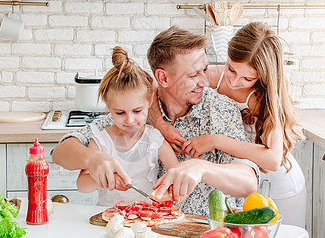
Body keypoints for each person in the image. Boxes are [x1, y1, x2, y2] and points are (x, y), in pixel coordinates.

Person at [52, 26, 259, 215]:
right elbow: (61, 152)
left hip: (203, 232)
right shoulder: (134, 109)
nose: (205, 82)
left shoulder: (220, 110)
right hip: (146, 231)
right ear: (163, 78)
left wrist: (201, 168)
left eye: (205, 70)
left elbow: (248, 181)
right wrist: (91, 158)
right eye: (193, 75)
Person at [152, 22, 306, 230]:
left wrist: (216, 140)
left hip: (278, 178)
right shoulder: (213, 76)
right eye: (231, 69)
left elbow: (272, 160)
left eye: (247, 78)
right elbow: (154, 83)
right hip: (244, 174)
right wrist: (160, 123)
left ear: (262, 76)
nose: (234, 81)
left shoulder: (265, 99)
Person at [76, 46, 179, 206]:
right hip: (108, 218)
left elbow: (178, 174)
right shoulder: (100, 141)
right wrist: (102, 178)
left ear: (150, 101)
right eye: (120, 113)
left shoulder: (154, 139)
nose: (130, 120)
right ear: (109, 108)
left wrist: (169, 189)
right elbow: (82, 185)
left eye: (137, 111)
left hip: (146, 218)